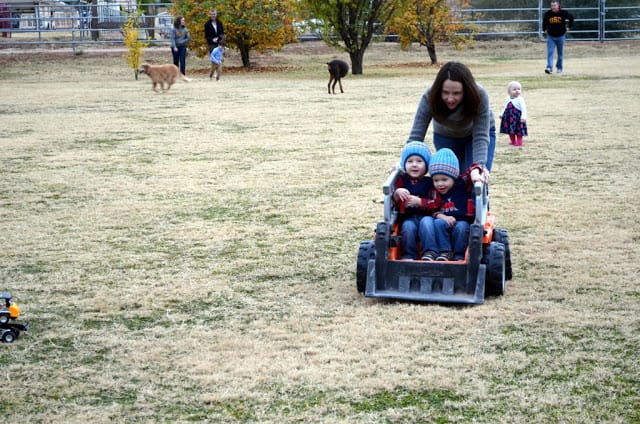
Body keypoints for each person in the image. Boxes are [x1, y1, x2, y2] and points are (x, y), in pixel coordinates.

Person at [407, 61, 494, 183]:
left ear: (466, 90)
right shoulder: (430, 96)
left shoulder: (479, 95)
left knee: (475, 180)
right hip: (445, 136)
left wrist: (478, 166)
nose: (450, 98)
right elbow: (416, 135)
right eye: (445, 92)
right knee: (449, 181)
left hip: (476, 136)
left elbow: (480, 135)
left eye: (457, 93)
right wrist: (404, 162)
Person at [427, 148, 478, 261]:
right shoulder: (433, 191)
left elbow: (472, 169)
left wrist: (475, 172)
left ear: (454, 177)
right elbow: (431, 208)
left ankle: (459, 256)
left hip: (463, 219)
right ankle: (445, 252)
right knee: (438, 223)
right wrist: (441, 216)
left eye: (444, 179)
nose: (440, 184)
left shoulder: (462, 183)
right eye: (436, 180)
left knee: (461, 227)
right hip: (444, 219)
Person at [392, 141, 440, 260]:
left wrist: (420, 202)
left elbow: (436, 203)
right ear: (404, 165)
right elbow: (393, 199)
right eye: (410, 161)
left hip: (427, 216)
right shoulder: (401, 181)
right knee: (408, 227)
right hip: (408, 217)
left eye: (419, 161)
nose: (414, 165)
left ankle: (430, 252)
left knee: (427, 223)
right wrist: (397, 193)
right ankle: (408, 255)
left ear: (427, 166)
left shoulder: (430, 182)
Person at [543, 0, 574, 75]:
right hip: (551, 36)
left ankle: (559, 68)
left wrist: (569, 27)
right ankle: (549, 68)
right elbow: (544, 22)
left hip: (560, 36)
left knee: (560, 54)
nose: (553, 7)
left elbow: (571, 18)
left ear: (558, 6)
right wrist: (544, 29)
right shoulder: (548, 14)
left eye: (554, 5)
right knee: (550, 53)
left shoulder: (563, 13)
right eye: (552, 6)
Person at [500, 81, 528, 147]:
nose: (517, 91)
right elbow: (505, 107)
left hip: (518, 118)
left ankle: (519, 142)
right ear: (509, 91)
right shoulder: (508, 98)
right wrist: (502, 114)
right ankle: (512, 141)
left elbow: (524, 109)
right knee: (510, 130)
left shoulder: (520, 99)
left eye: (519, 89)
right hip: (509, 118)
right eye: (514, 89)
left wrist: (523, 117)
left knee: (519, 131)